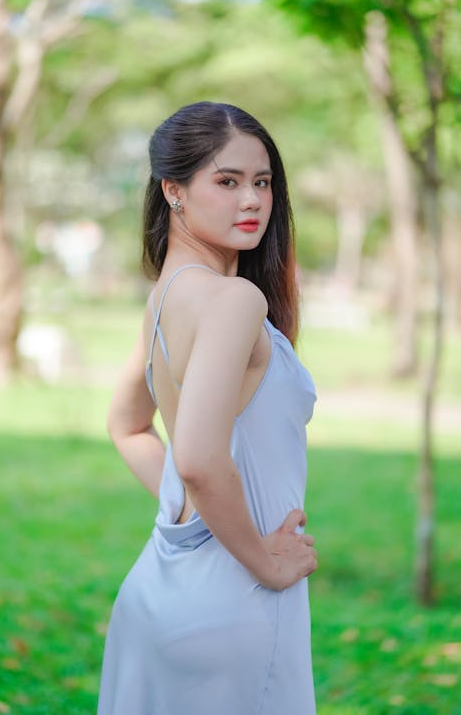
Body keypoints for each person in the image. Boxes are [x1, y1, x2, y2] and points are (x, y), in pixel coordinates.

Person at [97, 101, 318, 715]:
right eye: (227, 182)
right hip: (231, 604)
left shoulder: (165, 298)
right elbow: (196, 457)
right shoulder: (232, 299)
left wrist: (193, 520)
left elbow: (129, 428)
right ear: (174, 190)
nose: (251, 200)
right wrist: (261, 562)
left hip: (160, 591)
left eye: (262, 181)